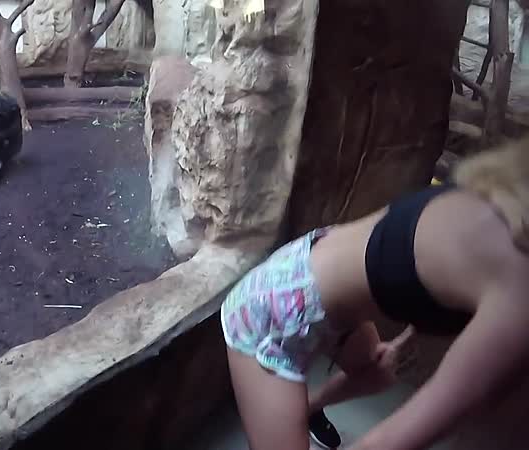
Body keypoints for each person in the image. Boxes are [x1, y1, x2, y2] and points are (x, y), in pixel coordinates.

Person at [220, 137, 529, 450]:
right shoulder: (518, 286)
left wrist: (409, 336)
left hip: (310, 274)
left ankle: (304, 410)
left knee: (380, 372)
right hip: (268, 310)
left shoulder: (500, 190)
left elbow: (431, 276)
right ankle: (282, 413)